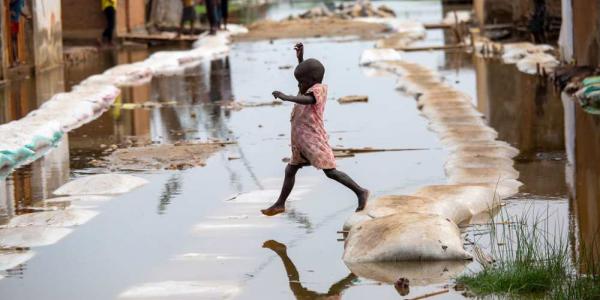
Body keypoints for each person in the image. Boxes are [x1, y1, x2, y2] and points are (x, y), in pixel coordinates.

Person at [261, 43, 369, 216]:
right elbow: (305, 83)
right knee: (290, 170)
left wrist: (285, 97)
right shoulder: (309, 85)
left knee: (330, 172)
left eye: (301, 82)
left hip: (313, 139)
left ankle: (360, 191)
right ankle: (280, 204)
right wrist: (300, 60)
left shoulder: (318, 90)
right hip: (300, 141)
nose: (299, 85)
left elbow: (307, 100)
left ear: (311, 82)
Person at [9, 0, 30, 67]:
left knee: (15, 39)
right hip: (12, 20)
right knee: (13, 39)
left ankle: (16, 59)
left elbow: (20, 10)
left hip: (16, 20)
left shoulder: (21, 1)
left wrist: (26, 16)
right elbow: (8, 4)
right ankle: (15, 60)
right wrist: (9, 12)